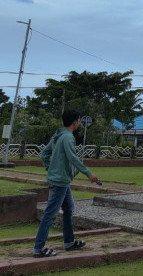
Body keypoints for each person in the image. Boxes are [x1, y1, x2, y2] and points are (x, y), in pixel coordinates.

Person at [33, 109, 100, 258]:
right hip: (60, 181)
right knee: (50, 215)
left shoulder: (58, 136)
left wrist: (50, 168)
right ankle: (39, 248)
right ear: (75, 121)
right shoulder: (68, 137)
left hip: (61, 180)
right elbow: (73, 158)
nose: (79, 124)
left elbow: (44, 154)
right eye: (79, 121)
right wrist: (89, 173)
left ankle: (69, 242)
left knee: (68, 209)